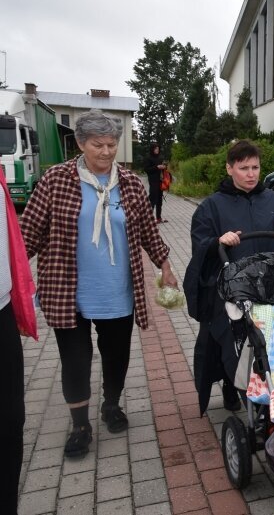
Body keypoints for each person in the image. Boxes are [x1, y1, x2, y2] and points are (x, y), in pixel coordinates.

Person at [21, 110, 178, 457]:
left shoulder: (130, 183)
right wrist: (13, 277)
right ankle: (80, 425)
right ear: (80, 143)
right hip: (67, 291)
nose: (107, 152)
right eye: (98, 145)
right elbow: (27, 234)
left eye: (112, 144)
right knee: (75, 359)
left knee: (116, 355)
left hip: (117, 291)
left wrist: (165, 265)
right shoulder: (55, 181)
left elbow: (149, 234)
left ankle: (111, 404)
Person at [183, 140, 274, 415]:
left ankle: (267, 389)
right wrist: (216, 242)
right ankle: (231, 382)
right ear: (229, 168)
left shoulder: (272, 200)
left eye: (255, 167)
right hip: (228, 291)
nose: (251, 173)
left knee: (267, 341)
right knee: (231, 343)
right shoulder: (212, 206)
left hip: (269, 288)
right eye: (244, 167)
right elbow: (200, 245)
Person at [1, 167, 35, 513]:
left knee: (11, 423)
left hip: (4, 309)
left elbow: (14, 238)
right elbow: (33, 228)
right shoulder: (57, 181)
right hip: (67, 290)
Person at [144, 143, 168, 223]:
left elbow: (164, 166)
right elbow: (146, 169)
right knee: (152, 199)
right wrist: (157, 167)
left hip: (160, 181)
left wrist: (164, 166)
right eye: (155, 149)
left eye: (158, 149)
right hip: (153, 181)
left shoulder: (160, 157)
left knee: (159, 200)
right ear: (152, 149)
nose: (157, 150)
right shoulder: (148, 158)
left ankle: (158, 218)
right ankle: (149, 218)